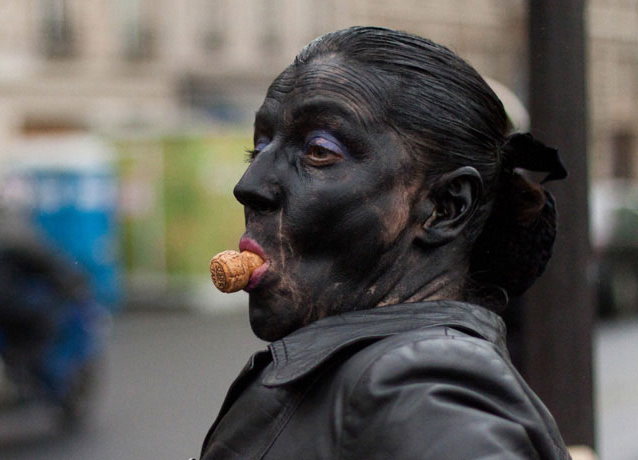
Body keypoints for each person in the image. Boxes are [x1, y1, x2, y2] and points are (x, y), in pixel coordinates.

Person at [200, 26, 571, 459]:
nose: (250, 185)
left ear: (444, 207)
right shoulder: (372, 378)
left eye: (319, 151)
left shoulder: (425, 392)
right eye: (258, 149)